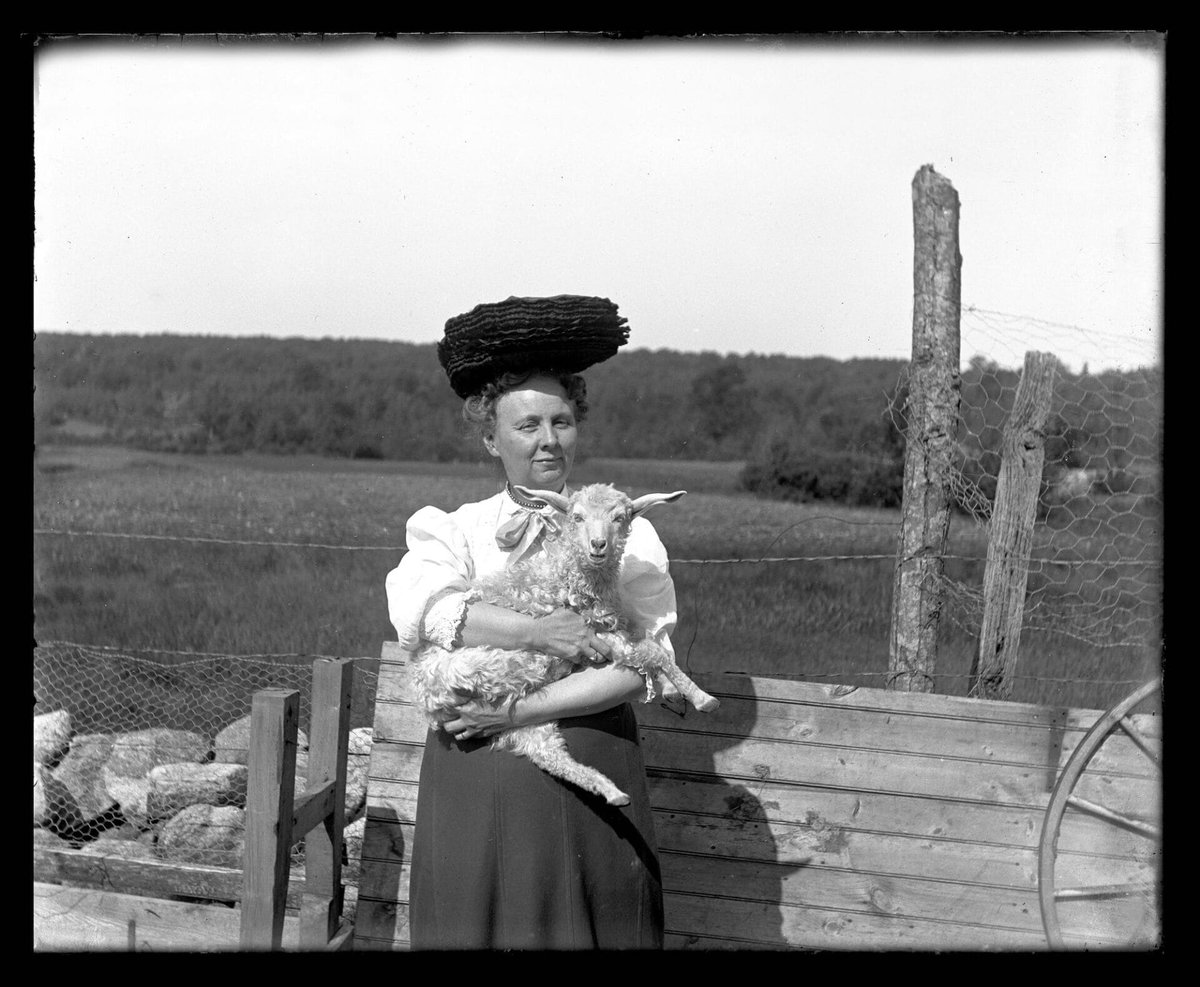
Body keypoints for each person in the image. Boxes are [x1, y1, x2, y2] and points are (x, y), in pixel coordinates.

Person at [385, 295, 679, 950]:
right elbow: (433, 617)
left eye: (561, 421)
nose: (548, 439)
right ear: (491, 436)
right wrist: (539, 633)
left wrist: (513, 713)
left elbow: (637, 667)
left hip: (586, 771)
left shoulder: (627, 531)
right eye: (527, 426)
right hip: (473, 788)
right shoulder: (453, 530)